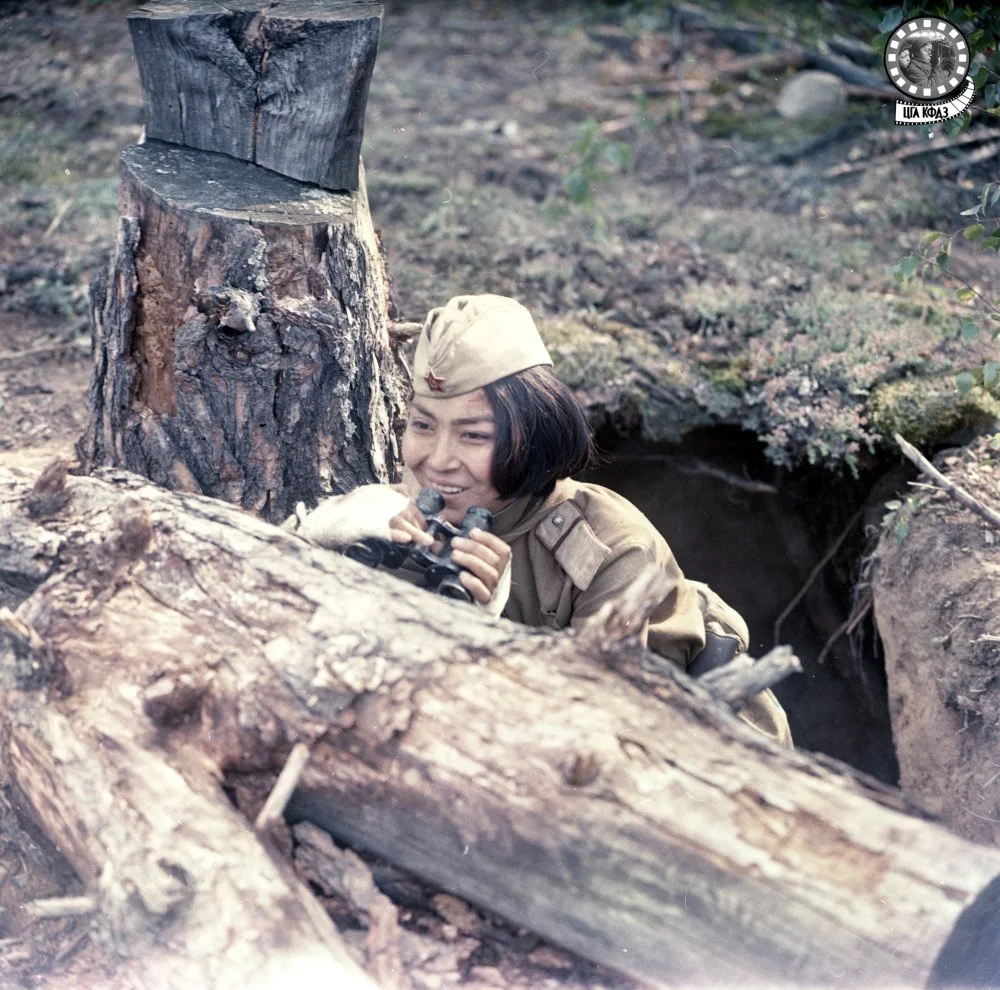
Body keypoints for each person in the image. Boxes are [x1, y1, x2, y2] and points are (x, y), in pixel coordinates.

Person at [295, 294, 792, 746]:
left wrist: (486, 615)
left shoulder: (610, 549)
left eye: (473, 436)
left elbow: (599, 739)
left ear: (533, 436)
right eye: (423, 425)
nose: (438, 459)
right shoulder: (390, 518)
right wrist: (318, 537)